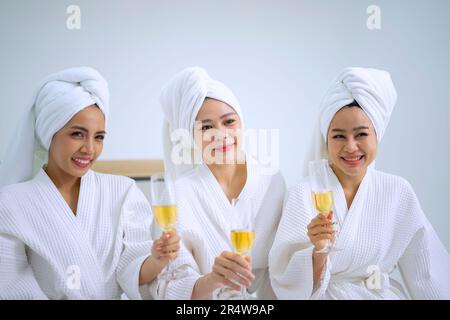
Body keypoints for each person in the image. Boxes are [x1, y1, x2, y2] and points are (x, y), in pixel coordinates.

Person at [269, 67, 450, 299]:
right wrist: (318, 252)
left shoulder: (397, 191)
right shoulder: (303, 193)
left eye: (361, 134)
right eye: (339, 136)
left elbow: (428, 273)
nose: (351, 146)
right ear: (326, 139)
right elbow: (285, 283)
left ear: (377, 135)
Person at [0, 67, 180, 299]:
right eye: (77, 134)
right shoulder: (11, 202)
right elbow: (12, 285)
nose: (89, 149)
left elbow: (131, 268)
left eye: (99, 137)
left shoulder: (123, 191)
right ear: (49, 133)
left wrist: (157, 259)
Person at [152, 67, 285, 299]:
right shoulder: (179, 194)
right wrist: (212, 280)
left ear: (241, 123)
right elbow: (168, 285)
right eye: (206, 127)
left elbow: (284, 264)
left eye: (229, 122)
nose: (221, 135)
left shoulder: (271, 180)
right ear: (191, 136)